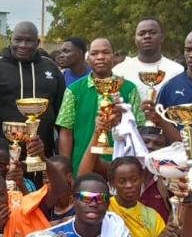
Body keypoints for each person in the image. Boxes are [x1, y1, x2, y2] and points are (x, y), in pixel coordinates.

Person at [0, 21, 63, 160]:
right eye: (18, 40)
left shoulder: (51, 68)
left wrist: (59, 155)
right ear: (11, 40)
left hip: (42, 154)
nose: (22, 45)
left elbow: (61, 114)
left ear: (37, 42)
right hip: (3, 157)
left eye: (29, 41)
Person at [56, 38, 144, 172]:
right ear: (88, 59)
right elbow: (66, 132)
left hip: (122, 165)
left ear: (114, 57)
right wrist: (66, 169)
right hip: (82, 166)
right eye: (94, 53)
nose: (100, 57)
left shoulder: (129, 88)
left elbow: (140, 128)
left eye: (106, 52)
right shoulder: (73, 90)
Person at [112, 18, 183, 95]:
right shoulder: (119, 71)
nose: (147, 36)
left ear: (162, 37)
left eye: (153, 33)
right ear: (135, 39)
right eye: (142, 34)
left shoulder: (177, 71)